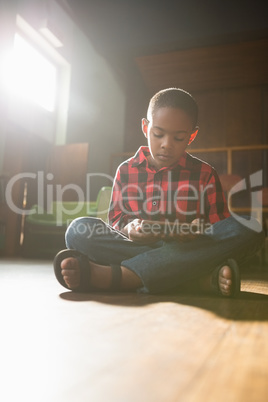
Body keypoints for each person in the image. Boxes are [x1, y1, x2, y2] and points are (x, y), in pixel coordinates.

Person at [53, 88, 264, 297]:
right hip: (147, 250)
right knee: (79, 230)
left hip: (189, 249)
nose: (166, 145)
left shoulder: (205, 173)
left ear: (192, 136)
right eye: (158, 134)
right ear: (145, 127)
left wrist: (196, 231)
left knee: (251, 228)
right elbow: (116, 220)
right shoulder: (126, 170)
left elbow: (220, 229)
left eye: (179, 138)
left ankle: (120, 277)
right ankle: (197, 280)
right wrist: (130, 229)